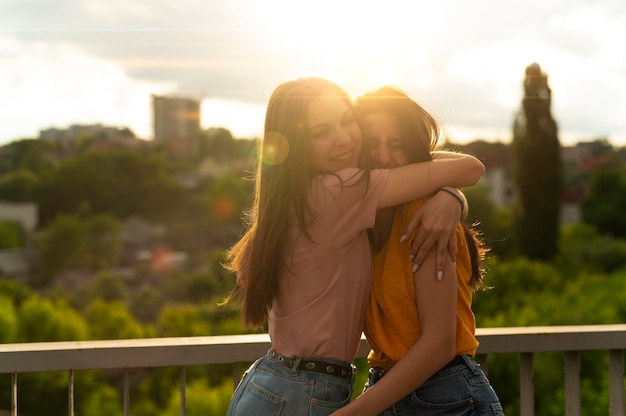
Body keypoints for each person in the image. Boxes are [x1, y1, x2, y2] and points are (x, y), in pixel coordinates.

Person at [222, 77, 485, 416]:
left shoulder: (295, 198)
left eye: (348, 122)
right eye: (321, 133)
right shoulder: (339, 191)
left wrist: (451, 196)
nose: (343, 139)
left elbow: (405, 164)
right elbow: (469, 167)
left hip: (266, 385)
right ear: (298, 144)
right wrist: (452, 193)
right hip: (304, 394)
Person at [331, 86, 504, 415]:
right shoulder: (364, 214)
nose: (382, 156)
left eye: (396, 145)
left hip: (444, 396)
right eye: (372, 144)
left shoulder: (423, 212)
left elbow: (439, 345)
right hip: (391, 387)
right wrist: (454, 194)